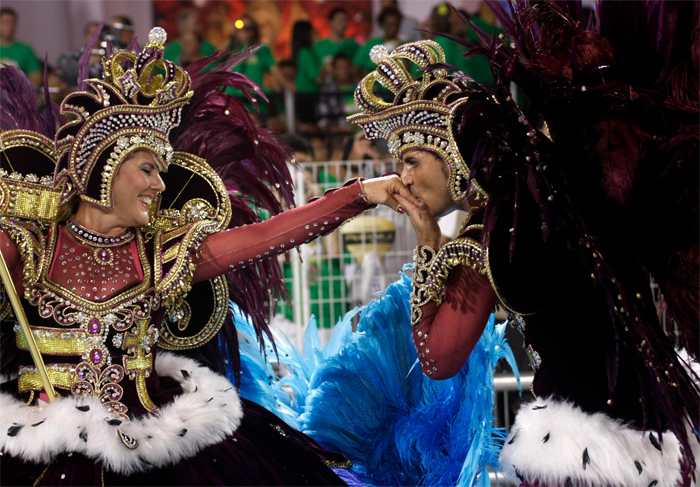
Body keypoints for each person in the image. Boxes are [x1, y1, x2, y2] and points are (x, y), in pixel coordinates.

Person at [0, 27, 417, 486]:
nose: (160, 185)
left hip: (152, 450)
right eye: (147, 169)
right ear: (104, 167)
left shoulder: (163, 254)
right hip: (36, 450)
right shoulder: (30, 247)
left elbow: (270, 234)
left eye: (161, 173)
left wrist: (361, 194)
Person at [347, 3, 699, 482]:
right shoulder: (569, 182)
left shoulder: (495, 231)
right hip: (659, 431)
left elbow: (436, 357)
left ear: (452, 153)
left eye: (411, 160)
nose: (403, 179)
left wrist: (427, 241)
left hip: (581, 453)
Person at [0, 7, 41, 88]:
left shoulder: (25, 49)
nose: (10, 26)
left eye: (13, 23)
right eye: (6, 22)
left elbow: (36, 76)